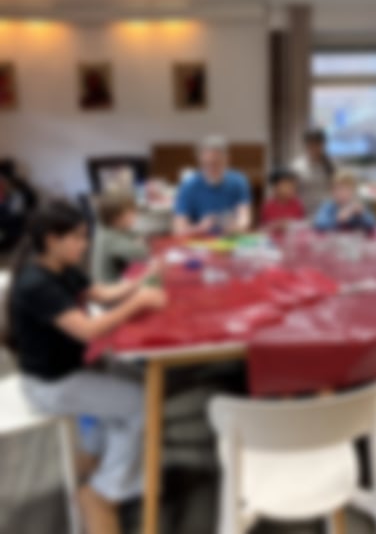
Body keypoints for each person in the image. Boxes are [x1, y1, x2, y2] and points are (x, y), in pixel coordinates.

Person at [6, 200, 166, 534]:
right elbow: (88, 330)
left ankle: (96, 456)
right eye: (78, 237)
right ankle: (103, 492)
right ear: (52, 240)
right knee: (142, 402)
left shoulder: (62, 267)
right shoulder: (37, 284)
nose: (86, 243)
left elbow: (103, 293)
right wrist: (137, 302)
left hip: (71, 370)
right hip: (51, 385)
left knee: (133, 381)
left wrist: (140, 281)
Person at [173, 135, 252, 236]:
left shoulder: (238, 181)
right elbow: (178, 229)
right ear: (200, 161)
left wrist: (235, 226)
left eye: (216, 163)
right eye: (206, 164)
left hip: (229, 238)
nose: (211, 168)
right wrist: (201, 227)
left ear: (226, 160)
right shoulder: (189, 185)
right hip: (198, 240)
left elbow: (245, 220)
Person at [91, 192, 148, 282]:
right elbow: (142, 253)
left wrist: (137, 240)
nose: (135, 215)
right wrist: (140, 244)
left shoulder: (105, 226)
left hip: (112, 280)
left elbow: (133, 234)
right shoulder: (110, 238)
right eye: (131, 212)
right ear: (116, 218)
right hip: (110, 286)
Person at [314, 169, 376, 234]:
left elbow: (372, 225)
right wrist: (338, 220)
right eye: (339, 189)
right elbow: (319, 224)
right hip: (334, 238)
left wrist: (361, 215)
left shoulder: (357, 206)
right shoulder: (329, 206)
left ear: (353, 192)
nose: (342, 193)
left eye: (347, 190)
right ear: (333, 191)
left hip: (355, 238)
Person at [291, 128, 336, 216]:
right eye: (311, 144)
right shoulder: (297, 166)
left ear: (323, 145)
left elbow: (337, 188)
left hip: (327, 212)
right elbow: (293, 192)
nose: (314, 148)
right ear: (306, 146)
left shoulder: (332, 165)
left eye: (318, 144)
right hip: (304, 212)